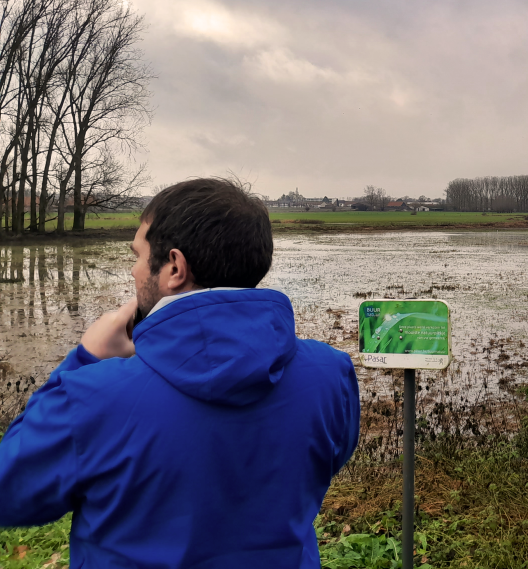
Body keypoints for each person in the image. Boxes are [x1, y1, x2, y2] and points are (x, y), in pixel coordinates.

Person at [0, 178, 360, 568]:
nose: (135, 271)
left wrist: (85, 358)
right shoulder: (332, 375)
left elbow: (10, 491)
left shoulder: (93, 397)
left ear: (174, 267)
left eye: (138, 255)